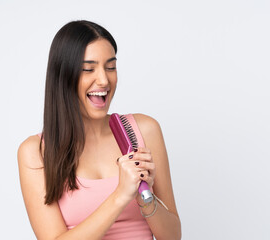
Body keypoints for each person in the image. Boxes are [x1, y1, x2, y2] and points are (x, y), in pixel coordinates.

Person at [17, 20, 182, 240]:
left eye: (111, 67)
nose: (104, 80)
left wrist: (145, 197)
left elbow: (172, 236)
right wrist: (121, 195)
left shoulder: (144, 131)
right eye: (88, 69)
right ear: (63, 76)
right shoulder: (35, 152)